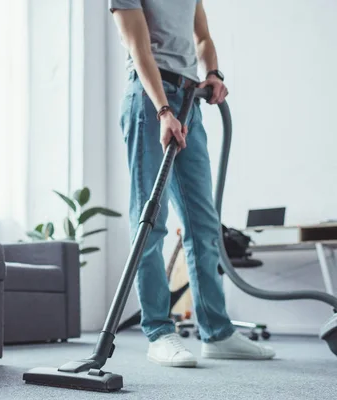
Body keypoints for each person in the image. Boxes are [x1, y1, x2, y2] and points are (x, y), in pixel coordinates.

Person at [109, 0, 275, 367]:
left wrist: (212, 72)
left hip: (190, 99)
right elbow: (138, 47)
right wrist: (163, 110)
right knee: (150, 223)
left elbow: (202, 37)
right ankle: (158, 331)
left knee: (204, 224)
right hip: (150, 100)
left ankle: (216, 332)